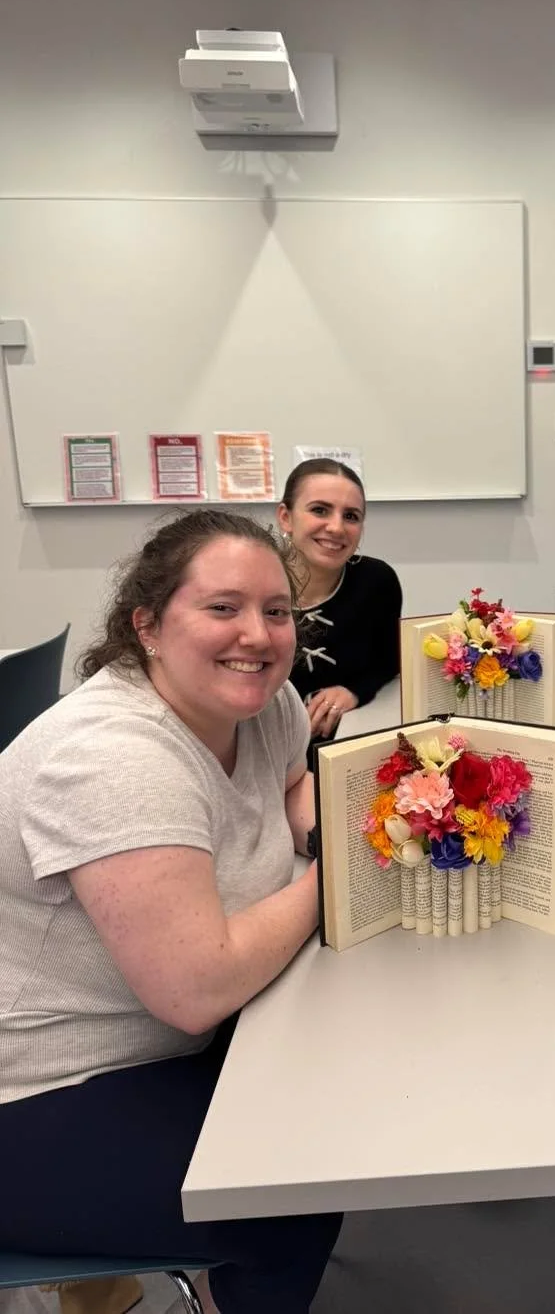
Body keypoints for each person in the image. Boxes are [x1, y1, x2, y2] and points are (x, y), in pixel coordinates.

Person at [0, 511, 342, 1314]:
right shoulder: (115, 759)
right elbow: (197, 986)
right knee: (289, 1195)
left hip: (168, 1044)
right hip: (41, 1087)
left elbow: (292, 781)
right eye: (222, 608)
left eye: (277, 611)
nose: (256, 635)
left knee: (337, 1090)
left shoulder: (261, 701)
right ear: (146, 625)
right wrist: (339, 878)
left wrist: (320, 828)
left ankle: (100, 1279)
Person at [277, 459, 402, 752]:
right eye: (319, 510)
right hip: (259, 751)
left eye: (351, 516)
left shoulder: (376, 582)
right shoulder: (251, 582)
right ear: (286, 517)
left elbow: (389, 661)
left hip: (341, 746)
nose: (336, 527)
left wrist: (354, 692)